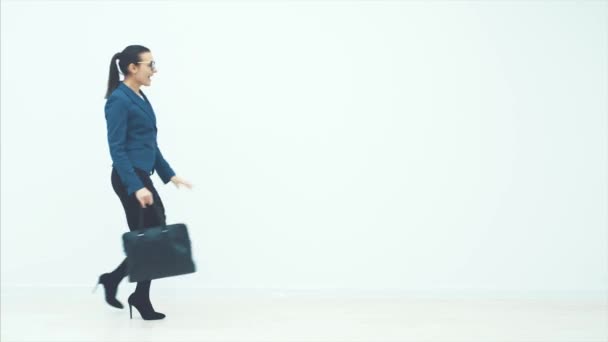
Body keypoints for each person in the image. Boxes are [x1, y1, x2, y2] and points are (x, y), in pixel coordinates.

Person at [93, 45, 193, 320]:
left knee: (151, 238)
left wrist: (169, 175)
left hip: (141, 175)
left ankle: (125, 287)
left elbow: (150, 144)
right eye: (150, 64)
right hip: (129, 177)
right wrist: (136, 186)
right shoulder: (118, 100)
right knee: (151, 237)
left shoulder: (140, 97)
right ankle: (121, 285)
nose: (155, 70)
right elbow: (117, 148)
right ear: (132, 68)